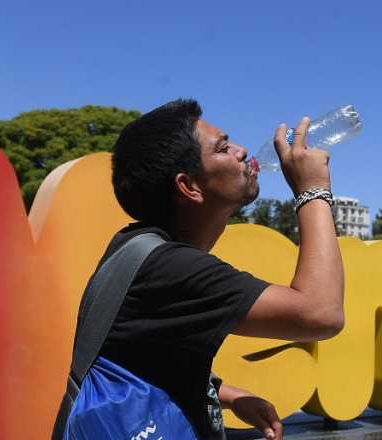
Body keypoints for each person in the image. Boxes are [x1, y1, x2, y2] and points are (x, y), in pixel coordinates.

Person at [96, 99, 344, 440]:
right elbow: (321, 313)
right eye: (223, 148)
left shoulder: (137, 249)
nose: (242, 151)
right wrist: (312, 191)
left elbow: (141, 354)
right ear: (189, 186)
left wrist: (222, 392)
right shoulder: (172, 268)